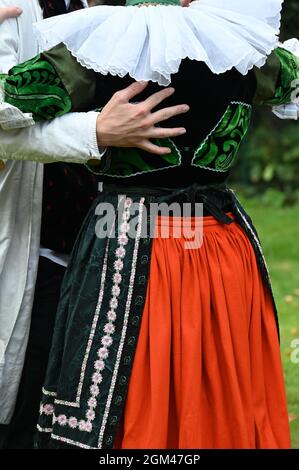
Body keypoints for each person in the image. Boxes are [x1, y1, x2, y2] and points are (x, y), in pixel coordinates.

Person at [0, 0, 297, 449]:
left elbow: (6, 106)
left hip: (129, 244)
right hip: (222, 247)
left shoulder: (96, 45)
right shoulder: (242, 44)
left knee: (130, 394)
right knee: (216, 390)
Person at [0, 0, 188, 449]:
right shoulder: (14, 6)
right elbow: (2, 117)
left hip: (92, 251)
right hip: (29, 249)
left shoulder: (95, 10)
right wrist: (96, 133)